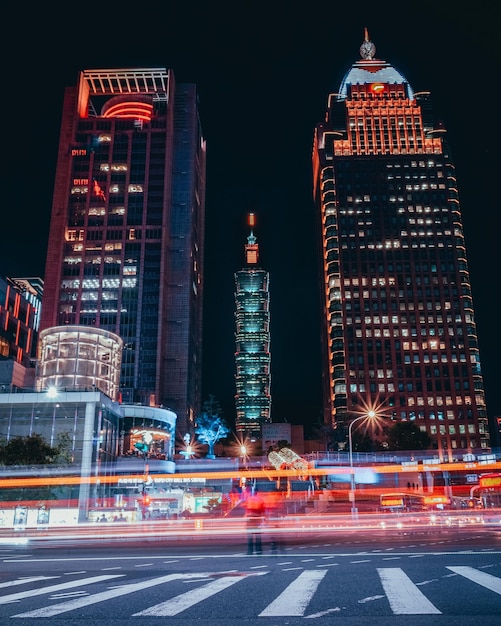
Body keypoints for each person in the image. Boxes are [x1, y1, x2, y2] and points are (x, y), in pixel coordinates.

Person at [244, 488, 266, 555]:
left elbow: (246, 509)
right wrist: (264, 519)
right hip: (257, 519)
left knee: (250, 537)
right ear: (257, 492)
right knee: (258, 537)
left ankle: (250, 551)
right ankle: (259, 551)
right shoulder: (260, 500)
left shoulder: (249, 499)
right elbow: (262, 510)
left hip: (250, 519)